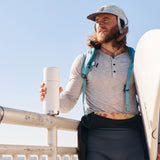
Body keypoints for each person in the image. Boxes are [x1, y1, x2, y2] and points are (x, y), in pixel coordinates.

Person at [40, 5, 160, 160]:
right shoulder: (83, 61)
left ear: (121, 24)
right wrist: (53, 99)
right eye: (97, 21)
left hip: (132, 138)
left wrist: (157, 141)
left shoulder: (137, 59)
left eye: (106, 20)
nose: (100, 24)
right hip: (97, 138)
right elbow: (69, 100)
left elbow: (153, 104)